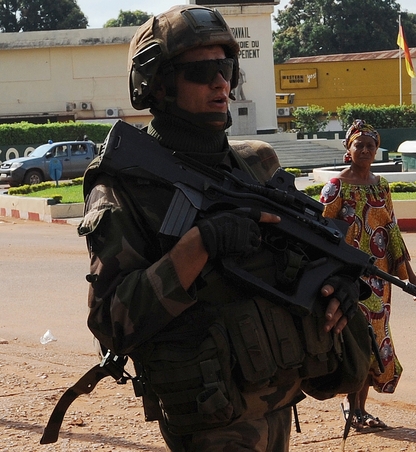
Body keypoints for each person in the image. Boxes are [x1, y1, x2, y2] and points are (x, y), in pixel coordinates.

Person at [79, 6, 363, 451]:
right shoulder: (126, 182)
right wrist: (200, 245)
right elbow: (110, 321)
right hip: (209, 416)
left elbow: (305, 255)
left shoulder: (255, 165)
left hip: (275, 397)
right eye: (202, 71)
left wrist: (336, 283)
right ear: (159, 83)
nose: (221, 82)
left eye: (227, 66)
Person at [320, 119, 416, 431]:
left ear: (376, 150)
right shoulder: (336, 186)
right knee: (355, 341)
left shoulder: (381, 186)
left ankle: (359, 408)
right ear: (348, 150)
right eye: (358, 144)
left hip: (379, 281)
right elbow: (320, 230)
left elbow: (391, 231)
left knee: (375, 340)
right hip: (347, 279)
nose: (364, 149)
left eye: (370, 145)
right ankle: (354, 409)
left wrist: (410, 275)